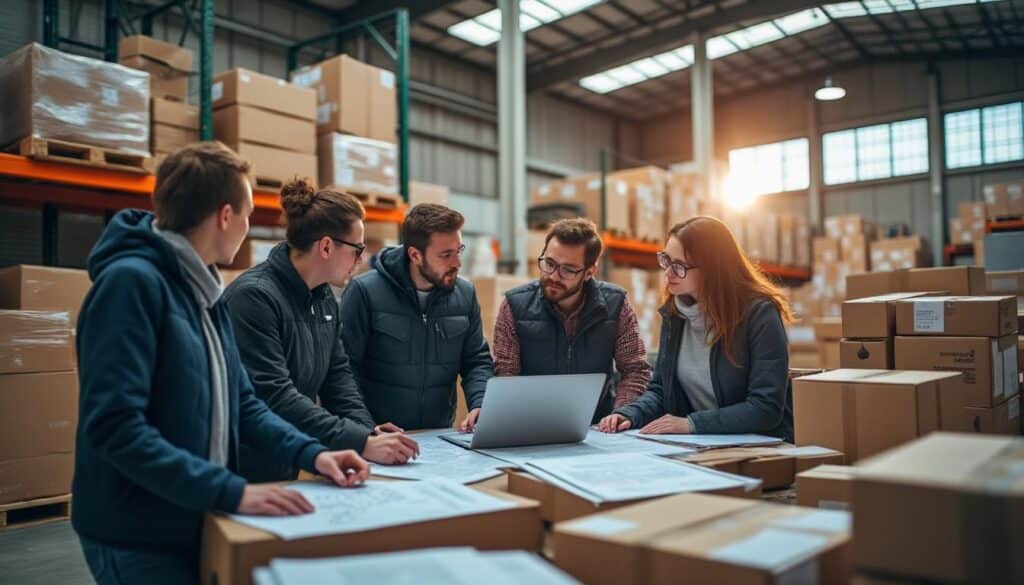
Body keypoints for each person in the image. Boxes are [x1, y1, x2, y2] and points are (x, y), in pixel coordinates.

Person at [72, 142, 370, 585]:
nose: (250, 227)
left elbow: (244, 403)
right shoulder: (131, 286)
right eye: (249, 214)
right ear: (225, 216)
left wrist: (313, 452)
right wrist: (233, 491)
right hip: (136, 532)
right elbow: (116, 428)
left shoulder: (203, 289)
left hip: (193, 512)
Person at [224, 178, 419, 482]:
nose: (362, 259)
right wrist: (361, 442)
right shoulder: (253, 298)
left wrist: (367, 431)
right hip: (241, 470)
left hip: (285, 464)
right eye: (357, 249)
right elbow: (276, 396)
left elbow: (337, 377)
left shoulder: (324, 297)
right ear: (327, 246)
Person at [598, 216, 793, 441]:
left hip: (761, 445)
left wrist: (691, 424)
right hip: (701, 442)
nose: (668, 273)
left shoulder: (760, 314)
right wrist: (629, 413)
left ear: (713, 269)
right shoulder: (675, 314)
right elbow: (661, 390)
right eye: (666, 260)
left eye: (679, 266)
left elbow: (765, 408)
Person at [339, 203, 494, 431]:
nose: (457, 263)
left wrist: (480, 403)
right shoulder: (364, 293)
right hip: (378, 436)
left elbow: (476, 360)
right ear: (415, 255)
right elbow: (344, 370)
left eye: (459, 251)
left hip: (438, 438)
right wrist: (365, 430)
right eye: (446, 255)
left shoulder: (465, 295)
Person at [492, 218, 652, 421]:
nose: (554, 276)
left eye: (568, 269)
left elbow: (635, 370)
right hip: (531, 427)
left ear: (589, 272)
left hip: (598, 427)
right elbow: (505, 377)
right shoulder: (514, 306)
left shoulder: (615, 305)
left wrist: (621, 413)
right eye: (549, 263)